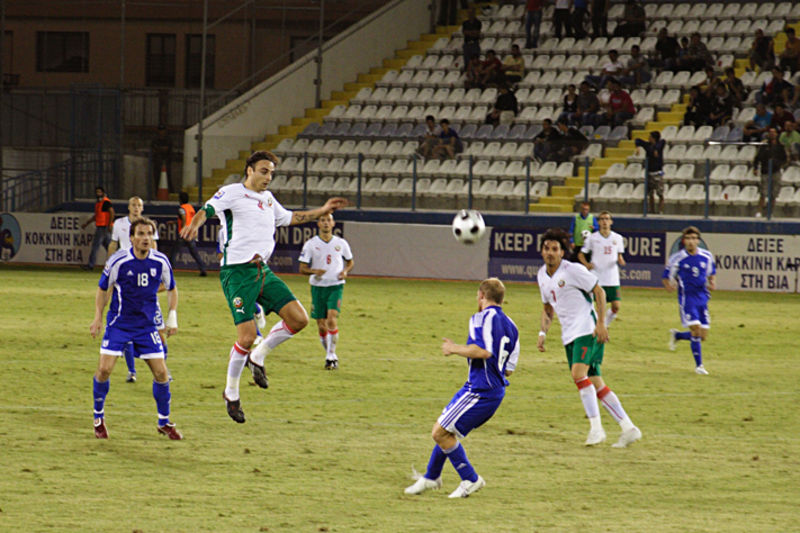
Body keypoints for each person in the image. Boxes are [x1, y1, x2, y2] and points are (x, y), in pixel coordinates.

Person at [179, 150, 348, 423]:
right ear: (249, 170)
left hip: (262, 271)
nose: (268, 177)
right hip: (237, 274)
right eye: (263, 171)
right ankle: (231, 393)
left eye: (271, 172)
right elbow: (206, 211)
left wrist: (322, 210)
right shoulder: (232, 192)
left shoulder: (268, 199)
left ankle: (258, 356)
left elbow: (292, 217)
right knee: (246, 336)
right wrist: (194, 225)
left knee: (299, 319)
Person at [404, 278, 520, 498]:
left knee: (439, 432)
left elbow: (483, 351)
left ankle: (471, 479)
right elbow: (508, 369)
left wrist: (453, 348)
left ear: (482, 296)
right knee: (446, 429)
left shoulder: (480, 318)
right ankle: (431, 476)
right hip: (488, 389)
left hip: (481, 391)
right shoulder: (512, 326)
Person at [537, 228, 641, 447]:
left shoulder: (573, 270)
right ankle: (628, 428)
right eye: (546, 248)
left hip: (586, 329)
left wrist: (601, 323)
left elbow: (599, 292)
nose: (550, 253)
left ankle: (596, 429)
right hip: (569, 334)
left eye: (555, 249)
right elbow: (548, 308)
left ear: (562, 252)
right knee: (595, 381)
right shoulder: (541, 276)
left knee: (578, 374)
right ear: (542, 251)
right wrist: (543, 332)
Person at [89, 217, 182, 439]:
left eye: (149, 234)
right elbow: (103, 288)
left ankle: (164, 422)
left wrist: (172, 316)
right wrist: (98, 317)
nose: (145, 238)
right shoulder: (118, 261)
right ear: (131, 238)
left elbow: (172, 288)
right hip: (119, 324)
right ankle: (98, 417)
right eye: (140, 234)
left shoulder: (160, 261)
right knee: (104, 370)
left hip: (146, 326)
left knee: (161, 373)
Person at [108, 196, 160, 383]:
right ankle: (132, 370)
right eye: (133, 205)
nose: (136, 208)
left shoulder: (149, 226)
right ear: (129, 207)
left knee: (159, 329)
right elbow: (113, 244)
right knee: (127, 326)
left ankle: (162, 369)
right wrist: (109, 266)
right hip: (126, 278)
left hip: (145, 280)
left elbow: (154, 247)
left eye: (139, 205)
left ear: (142, 208)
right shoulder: (119, 224)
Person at [298, 213, 354, 370]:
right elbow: (302, 268)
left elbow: (350, 262)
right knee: (321, 325)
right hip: (318, 287)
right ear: (318, 224)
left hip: (336, 285)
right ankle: (329, 353)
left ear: (333, 223)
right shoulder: (311, 244)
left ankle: (331, 355)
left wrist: (345, 271)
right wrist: (314, 271)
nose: (326, 223)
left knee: (331, 318)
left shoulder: (341, 243)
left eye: (328, 220)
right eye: (322, 220)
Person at [664, 226, 716, 375]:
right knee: (696, 329)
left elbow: (711, 272)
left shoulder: (707, 256)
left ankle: (678, 335)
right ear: (683, 241)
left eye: (694, 238)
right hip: (687, 299)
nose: (691, 241)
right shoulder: (677, 258)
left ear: (698, 240)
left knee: (702, 336)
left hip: (703, 298)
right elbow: (666, 275)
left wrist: (712, 282)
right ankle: (699, 366)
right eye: (688, 238)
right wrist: (669, 285)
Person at [578, 212, 625, 326]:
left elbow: (619, 255)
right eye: (602, 219)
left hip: (612, 277)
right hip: (597, 277)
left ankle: (605, 324)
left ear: (611, 222)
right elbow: (581, 254)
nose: (604, 221)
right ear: (598, 222)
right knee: (598, 306)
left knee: (616, 306)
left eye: (607, 219)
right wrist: (586, 264)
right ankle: (598, 326)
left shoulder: (618, 238)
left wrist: (620, 260)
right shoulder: (592, 238)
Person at [170, 191, 208, 277]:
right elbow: (189, 220)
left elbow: (184, 218)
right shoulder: (191, 208)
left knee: (174, 252)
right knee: (194, 253)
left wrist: (184, 230)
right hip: (191, 232)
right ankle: (203, 269)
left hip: (184, 233)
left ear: (180, 199)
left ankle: (169, 269)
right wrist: (174, 222)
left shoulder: (181, 208)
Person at [754, 128, 788, 216]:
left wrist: (779, 164)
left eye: (774, 132)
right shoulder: (764, 145)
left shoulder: (780, 146)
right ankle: (759, 211)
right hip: (765, 171)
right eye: (770, 132)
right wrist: (755, 167)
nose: (772, 134)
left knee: (774, 193)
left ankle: (770, 212)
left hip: (776, 171)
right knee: (763, 192)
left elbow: (785, 158)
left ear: (776, 134)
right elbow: (757, 157)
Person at [81, 186, 115, 271]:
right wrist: (87, 224)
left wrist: (109, 224)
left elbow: (112, 212)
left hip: (103, 227)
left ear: (103, 193)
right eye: (97, 192)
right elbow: (97, 216)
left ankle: (90, 265)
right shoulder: (99, 203)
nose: (98, 194)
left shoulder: (105, 202)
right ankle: (117, 263)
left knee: (95, 246)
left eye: (99, 192)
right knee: (108, 247)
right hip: (102, 227)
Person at [635, 131, 666, 214]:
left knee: (660, 193)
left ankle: (660, 210)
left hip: (658, 172)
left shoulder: (660, 144)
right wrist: (637, 147)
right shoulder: (648, 146)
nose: (649, 138)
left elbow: (661, 143)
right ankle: (651, 210)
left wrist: (655, 149)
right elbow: (638, 140)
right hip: (649, 172)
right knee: (650, 193)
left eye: (650, 137)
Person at [151, 124, 174, 193]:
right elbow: (154, 149)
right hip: (157, 162)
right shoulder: (155, 139)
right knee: (157, 178)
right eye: (160, 130)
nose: (162, 132)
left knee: (167, 178)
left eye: (163, 130)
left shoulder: (168, 139)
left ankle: (170, 192)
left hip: (166, 161)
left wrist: (159, 149)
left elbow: (166, 149)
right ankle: (157, 192)